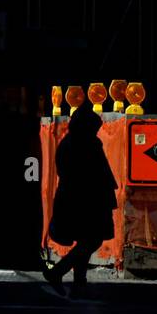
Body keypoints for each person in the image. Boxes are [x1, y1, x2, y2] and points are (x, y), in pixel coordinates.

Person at [44, 108, 117, 296]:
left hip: (76, 199)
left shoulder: (70, 143)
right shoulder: (85, 144)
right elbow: (95, 174)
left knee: (86, 240)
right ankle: (59, 272)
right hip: (85, 201)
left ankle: (79, 284)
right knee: (91, 240)